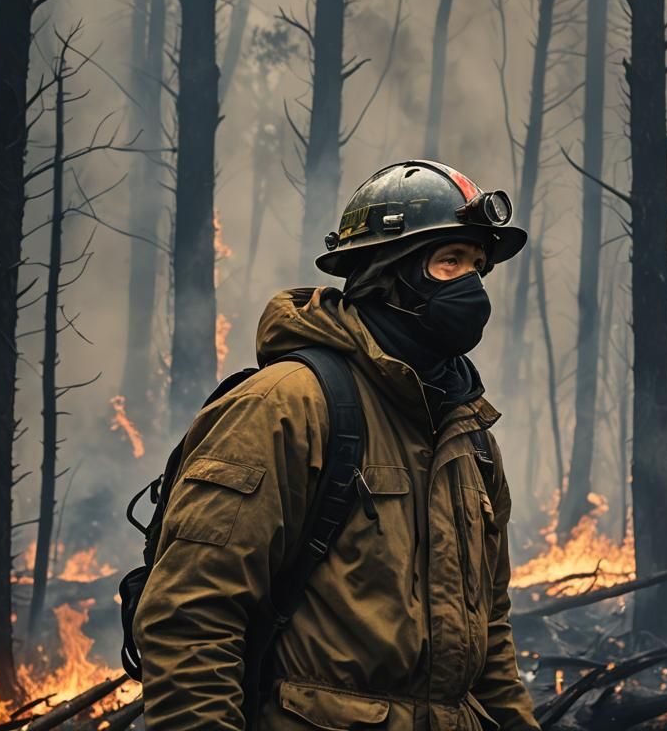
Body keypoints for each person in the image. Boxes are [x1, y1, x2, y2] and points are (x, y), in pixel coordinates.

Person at [134, 160, 539, 731]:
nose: (471, 286)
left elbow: (490, 639)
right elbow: (191, 621)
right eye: (450, 261)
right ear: (388, 273)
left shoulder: (469, 437)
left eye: (478, 266)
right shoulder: (286, 406)